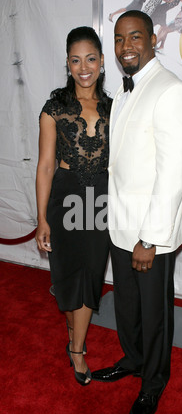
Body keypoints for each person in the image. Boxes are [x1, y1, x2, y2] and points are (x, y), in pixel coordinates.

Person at [92, 11, 182, 414]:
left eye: (135, 37)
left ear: (153, 40)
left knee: (154, 313)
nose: (126, 47)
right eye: (118, 40)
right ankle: (133, 360)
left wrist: (150, 238)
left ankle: (153, 384)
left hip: (152, 230)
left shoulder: (170, 91)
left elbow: (173, 174)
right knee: (128, 305)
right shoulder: (123, 92)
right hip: (121, 224)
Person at [35, 27, 112, 386]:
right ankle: (73, 331)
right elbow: (46, 165)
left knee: (89, 277)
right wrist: (40, 219)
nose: (84, 67)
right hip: (65, 199)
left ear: (101, 62)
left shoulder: (115, 108)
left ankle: (77, 350)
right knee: (68, 280)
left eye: (91, 58)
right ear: (67, 63)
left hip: (100, 200)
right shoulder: (55, 108)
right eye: (76, 60)